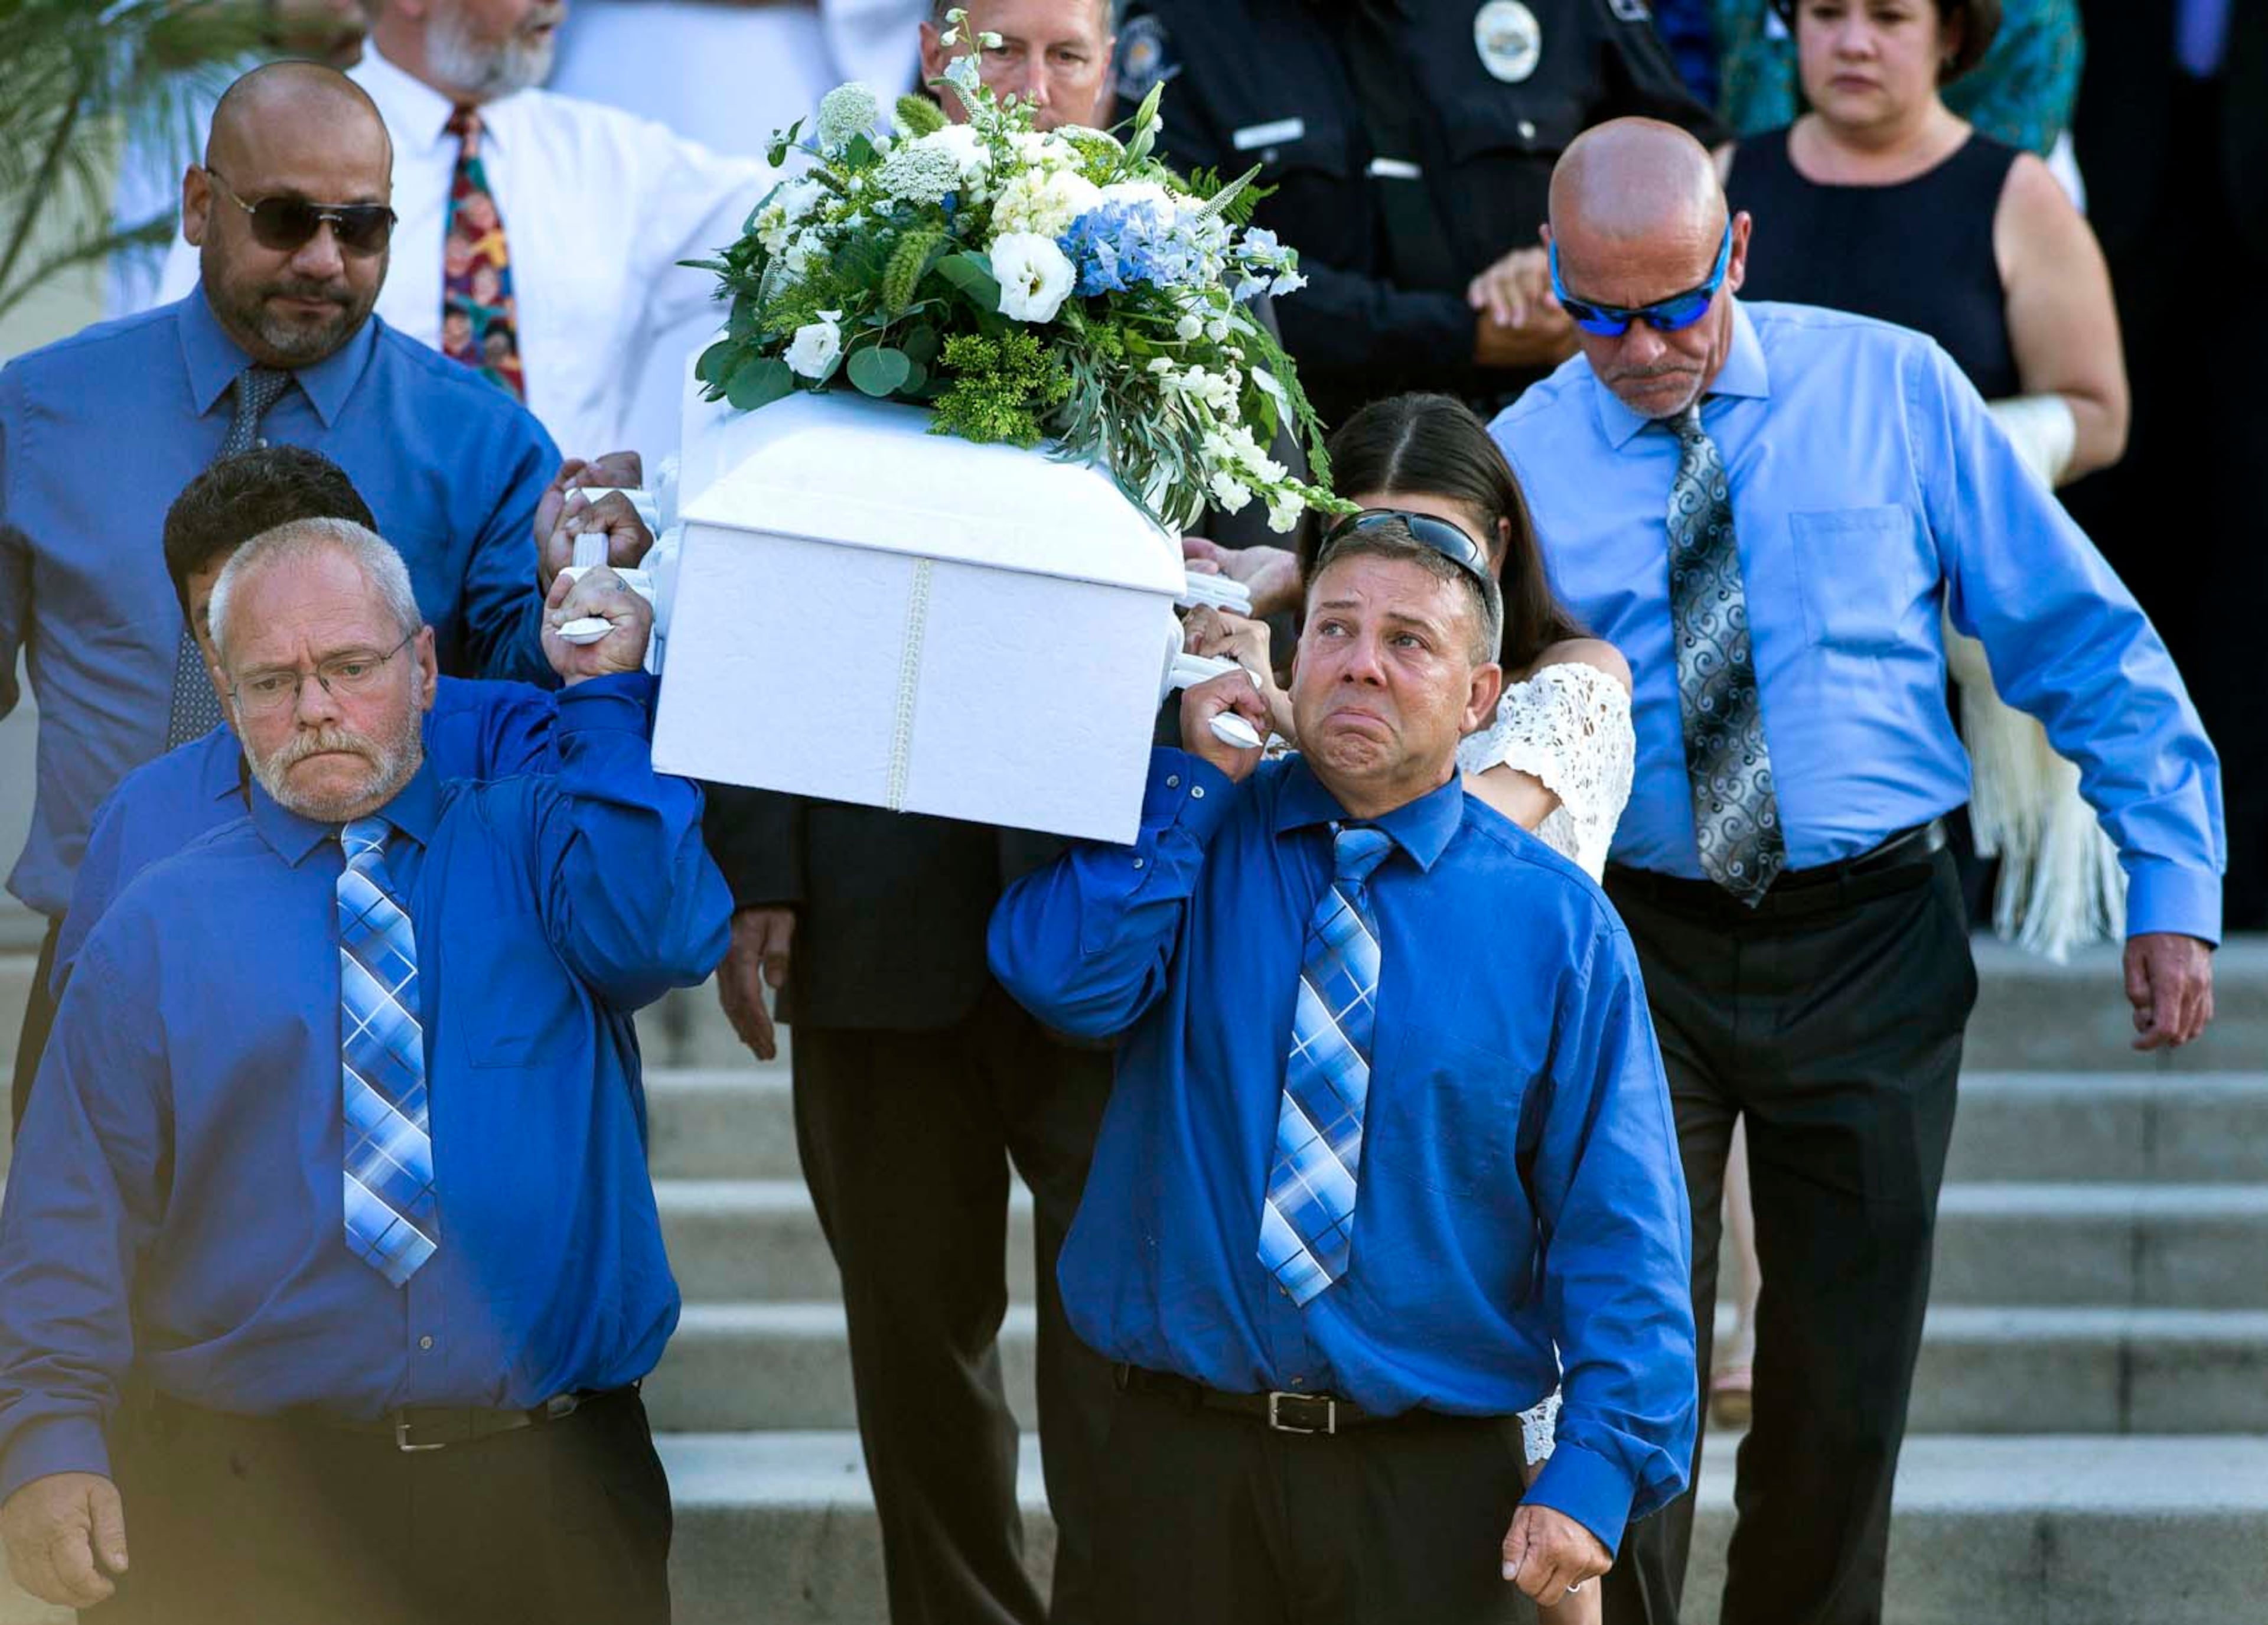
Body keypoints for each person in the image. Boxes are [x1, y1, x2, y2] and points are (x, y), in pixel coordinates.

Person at [1490, 119, 2223, 1625]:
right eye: (1597, 310)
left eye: (1676, 304)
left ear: (1736, 252)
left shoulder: (1889, 387)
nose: (1637, 349)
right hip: (1631, 949)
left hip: (1873, 935)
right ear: (1549, 277)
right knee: (1624, 1368)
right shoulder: (1515, 460)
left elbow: (2077, 637)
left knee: (1838, 1399)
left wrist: (2169, 881)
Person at [0, 518, 729, 1624]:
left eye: (350, 667)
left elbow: (666, 933)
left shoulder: (542, 848)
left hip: (555, 1488)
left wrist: (603, 699)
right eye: (272, 680)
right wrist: (48, 1437)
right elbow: (70, 1206)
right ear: (224, 689)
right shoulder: (155, 924)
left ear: (425, 666)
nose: (316, 710)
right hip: (251, 1498)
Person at [988, 515, 1697, 1625]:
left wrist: (1597, 1469)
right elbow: (1065, 981)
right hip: (1172, 1468)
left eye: (1409, 641)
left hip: (1428, 1489)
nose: (1361, 661)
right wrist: (1191, 784)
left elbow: (1625, 1229)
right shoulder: (1193, 835)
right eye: (1334, 629)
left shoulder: (1557, 927)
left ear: (1478, 698)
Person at [696, 13, 1134, 1623]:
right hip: (873, 893)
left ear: (1115, 74)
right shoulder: (822, 271)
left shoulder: (1195, 286)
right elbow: (760, 561)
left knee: (1122, 1338)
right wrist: (759, 865)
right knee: (912, 1332)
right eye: (997, 45)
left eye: (1067, 53)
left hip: (1109, 907)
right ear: (936, 69)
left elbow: (1244, 534)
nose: (1030, 83)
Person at [1, 60, 561, 1133]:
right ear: (200, 205)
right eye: (287, 218)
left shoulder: (482, 443)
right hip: (101, 964)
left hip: (377, 990)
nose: (323, 259)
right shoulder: (39, 414)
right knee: (71, 1296)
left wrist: (579, 582)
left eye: (362, 229)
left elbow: (531, 707)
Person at [48, 445, 585, 1007]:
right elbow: (96, 1054)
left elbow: (641, 931)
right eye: (221, 617)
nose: (266, 629)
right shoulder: (145, 815)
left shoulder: (512, 741)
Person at [152, 0, 775, 460]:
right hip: (337, 602)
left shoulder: (620, 159)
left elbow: (802, 223)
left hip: (560, 603)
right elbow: (183, 383)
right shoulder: (279, 142)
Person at [1115, 0, 1728, 426]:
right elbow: (1191, 274)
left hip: (1554, 432)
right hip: (1307, 459)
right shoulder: (1183, 30)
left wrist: (1573, 266)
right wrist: (1461, 336)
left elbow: (1696, 167)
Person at [2065, 0, 2268, 929]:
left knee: (2251, 569)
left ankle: (2247, 869)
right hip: (2110, 206)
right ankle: (2104, 873)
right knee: (2107, 550)